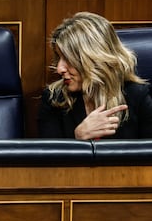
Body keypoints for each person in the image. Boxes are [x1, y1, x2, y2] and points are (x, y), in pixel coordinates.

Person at [38, 11, 152, 140]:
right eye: (59, 57)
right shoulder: (54, 98)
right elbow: (49, 157)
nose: (59, 69)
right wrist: (78, 138)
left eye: (68, 59)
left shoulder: (138, 96)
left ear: (94, 58)